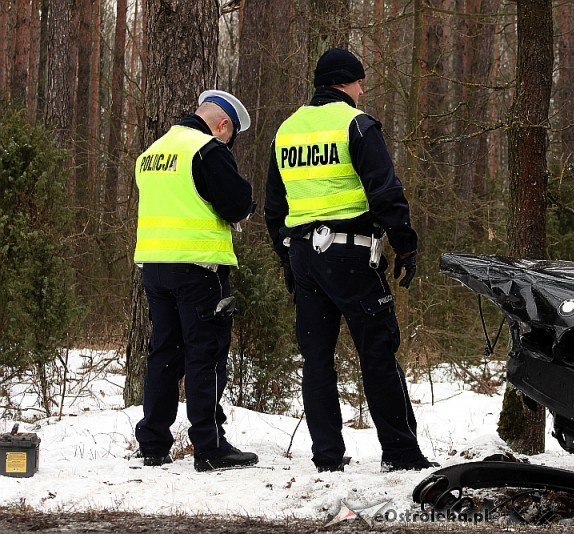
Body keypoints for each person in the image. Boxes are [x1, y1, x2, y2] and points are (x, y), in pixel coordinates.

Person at [265, 48, 438, 473]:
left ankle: (327, 456)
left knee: (317, 358)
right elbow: (384, 190)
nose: (363, 90)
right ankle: (400, 453)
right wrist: (406, 243)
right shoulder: (356, 124)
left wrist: (287, 260)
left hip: (304, 255)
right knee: (377, 351)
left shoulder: (287, 131)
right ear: (346, 82)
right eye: (360, 82)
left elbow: (274, 206)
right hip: (351, 253)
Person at [133, 89, 259, 472]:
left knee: (164, 354)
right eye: (230, 134)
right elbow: (237, 202)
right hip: (199, 269)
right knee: (205, 353)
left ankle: (154, 443)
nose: (228, 141)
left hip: (155, 266)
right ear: (223, 125)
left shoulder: (152, 153)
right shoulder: (207, 150)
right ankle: (209, 446)